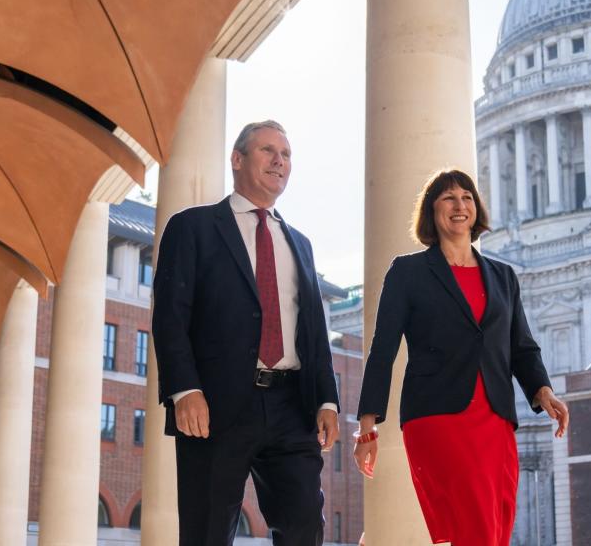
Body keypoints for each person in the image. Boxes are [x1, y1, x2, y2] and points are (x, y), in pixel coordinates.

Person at [354, 169, 569, 546]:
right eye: (448, 198)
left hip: (495, 419)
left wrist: (542, 390)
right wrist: (368, 426)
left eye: (467, 197)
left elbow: (521, 346)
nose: (460, 205)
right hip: (439, 418)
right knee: (472, 528)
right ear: (431, 212)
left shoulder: (504, 276)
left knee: (496, 526)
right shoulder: (408, 272)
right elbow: (383, 349)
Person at [153, 120, 340, 546]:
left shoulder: (302, 244)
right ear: (237, 159)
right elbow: (170, 317)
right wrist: (184, 390)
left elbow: (314, 332)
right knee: (207, 531)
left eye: (286, 154)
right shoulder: (193, 227)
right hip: (215, 405)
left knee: (304, 523)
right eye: (267, 150)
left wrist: (327, 399)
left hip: (292, 405)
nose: (279, 161)